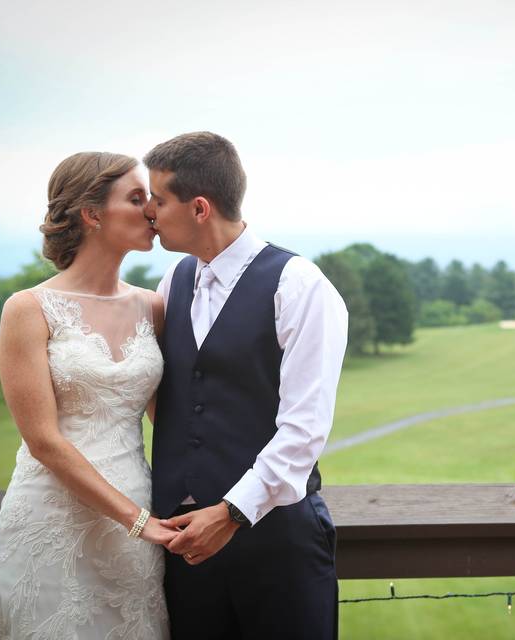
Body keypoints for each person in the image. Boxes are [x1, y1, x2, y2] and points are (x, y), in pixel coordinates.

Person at [145, 131, 347, 639]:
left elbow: (304, 430)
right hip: (186, 550)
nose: (150, 211)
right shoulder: (174, 282)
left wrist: (231, 512)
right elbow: (183, 401)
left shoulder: (299, 285)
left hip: (277, 546)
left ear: (198, 208)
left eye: (158, 199)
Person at [0, 152, 175, 639]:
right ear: (92, 214)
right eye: (136, 197)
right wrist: (137, 521)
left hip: (137, 510)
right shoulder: (28, 309)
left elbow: (169, 420)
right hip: (53, 516)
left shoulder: (154, 308)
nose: (152, 209)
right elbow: (42, 440)